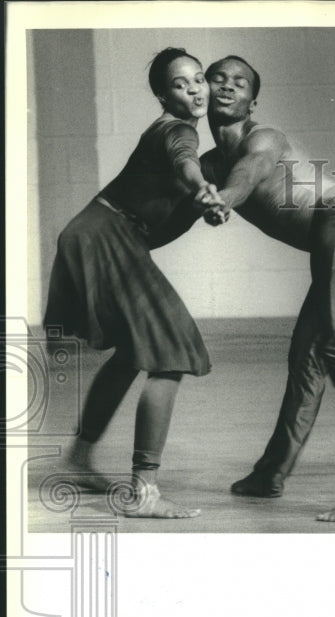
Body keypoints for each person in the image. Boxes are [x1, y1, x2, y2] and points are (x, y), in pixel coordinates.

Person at [196, 55, 335, 522]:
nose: (227, 86)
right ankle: (270, 474)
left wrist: (225, 198)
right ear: (203, 91)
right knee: (306, 356)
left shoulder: (263, 137)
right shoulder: (206, 162)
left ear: (252, 101)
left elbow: (251, 170)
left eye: (239, 82)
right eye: (217, 79)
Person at [44, 47, 225, 518]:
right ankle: (144, 491)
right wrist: (199, 184)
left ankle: (78, 460)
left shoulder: (173, 130)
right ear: (164, 96)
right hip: (106, 237)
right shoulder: (177, 130)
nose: (195, 89)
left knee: (133, 352)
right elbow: (184, 159)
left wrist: (201, 195)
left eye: (199, 78)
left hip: (97, 231)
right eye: (180, 84)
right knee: (170, 351)